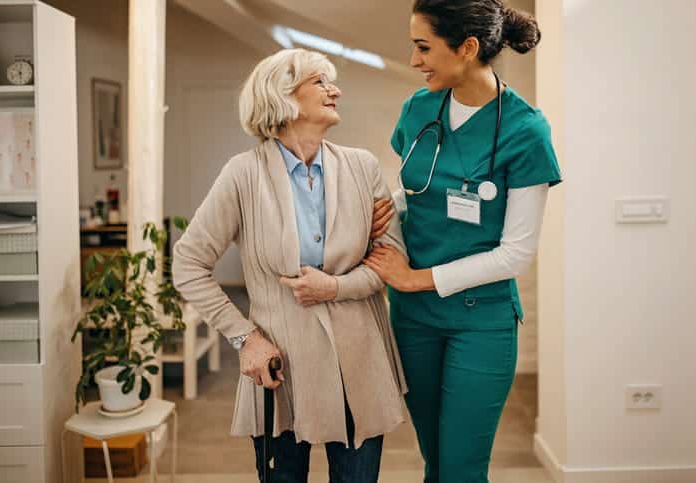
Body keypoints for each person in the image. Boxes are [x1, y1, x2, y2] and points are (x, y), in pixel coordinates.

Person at [172, 48, 407, 483]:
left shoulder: (363, 167)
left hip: (359, 364)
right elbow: (188, 262)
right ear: (282, 94)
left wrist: (334, 288)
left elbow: (391, 260)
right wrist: (244, 338)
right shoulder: (242, 174)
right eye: (320, 81)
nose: (335, 90)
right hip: (281, 370)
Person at [363, 1, 562, 482]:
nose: (414, 61)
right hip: (413, 321)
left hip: (481, 322)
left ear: (468, 48)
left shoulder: (525, 130)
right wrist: (385, 205)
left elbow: (516, 254)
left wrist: (413, 279)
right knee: (435, 460)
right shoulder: (419, 108)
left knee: (461, 469)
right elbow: (420, 191)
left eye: (423, 47)